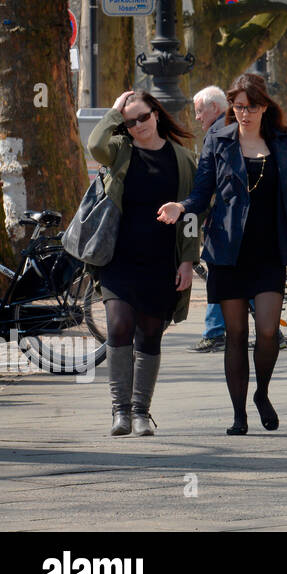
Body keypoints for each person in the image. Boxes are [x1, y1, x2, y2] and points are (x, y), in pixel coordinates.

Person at [158, 73, 287, 435]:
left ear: (264, 107)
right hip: (227, 249)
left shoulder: (283, 143)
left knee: (269, 330)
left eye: (252, 106)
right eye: (239, 107)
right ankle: (239, 414)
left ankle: (262, 393)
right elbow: (202, 191)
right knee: (236, 334)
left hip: (269, 250)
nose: (245, 113)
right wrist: (182, 207)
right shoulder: (218, 139)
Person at [88, 91, 200, 436]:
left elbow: (193, 214)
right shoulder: (121, 151)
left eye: (143, 117)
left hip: (161, 260)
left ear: (156, 114)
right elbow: (94, 146)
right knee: (119, 326)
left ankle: (141, 412)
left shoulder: (183, 159)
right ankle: (120, 411)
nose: (138, 126)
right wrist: (114, 111)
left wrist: (187, 262)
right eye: (130, 121)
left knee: (150, 334)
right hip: (118, 258)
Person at [188, 85, 229, 354]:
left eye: (200, 111)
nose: (197, 118)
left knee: (219, 271)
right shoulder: (236, 127)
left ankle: (214, 332)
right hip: (241, 217)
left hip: (228, 220)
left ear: (214, 108)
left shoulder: (216, 133)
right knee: (233, 273)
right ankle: (271, 330)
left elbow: (205, 183)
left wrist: (187, 208)